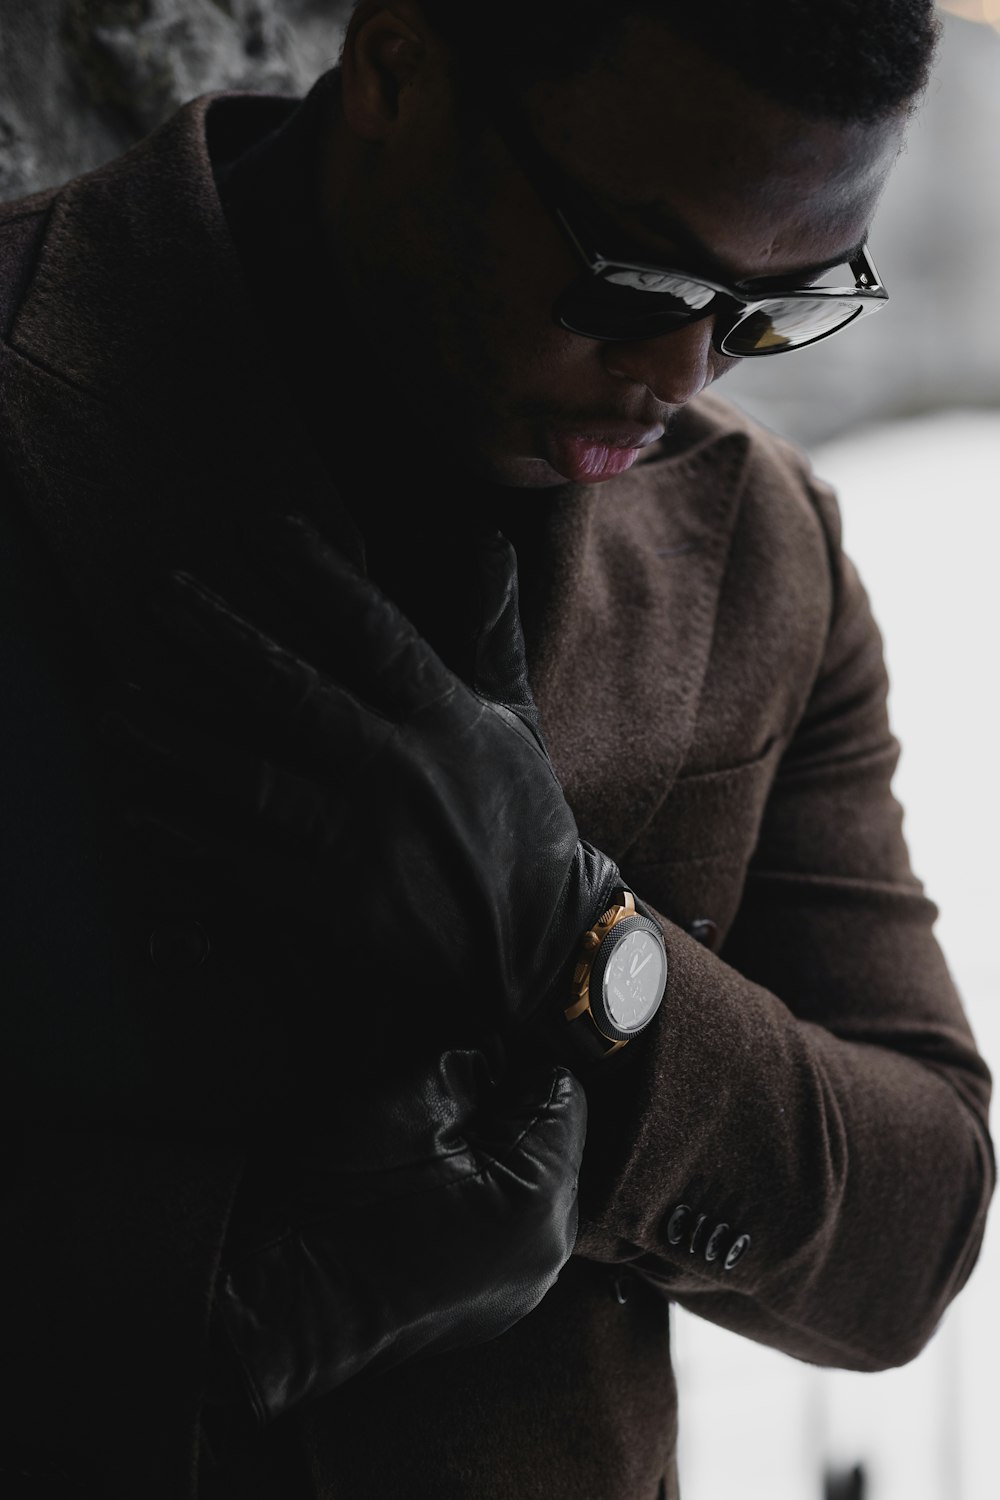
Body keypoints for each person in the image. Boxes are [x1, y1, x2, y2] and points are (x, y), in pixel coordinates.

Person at [0, 1, 994, 1496]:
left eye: (776, 308)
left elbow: (914, 1235)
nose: (687, 372)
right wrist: (224, 1308)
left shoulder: (762, 547)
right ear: (402, 63)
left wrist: (577, 952)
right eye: (628, 276)